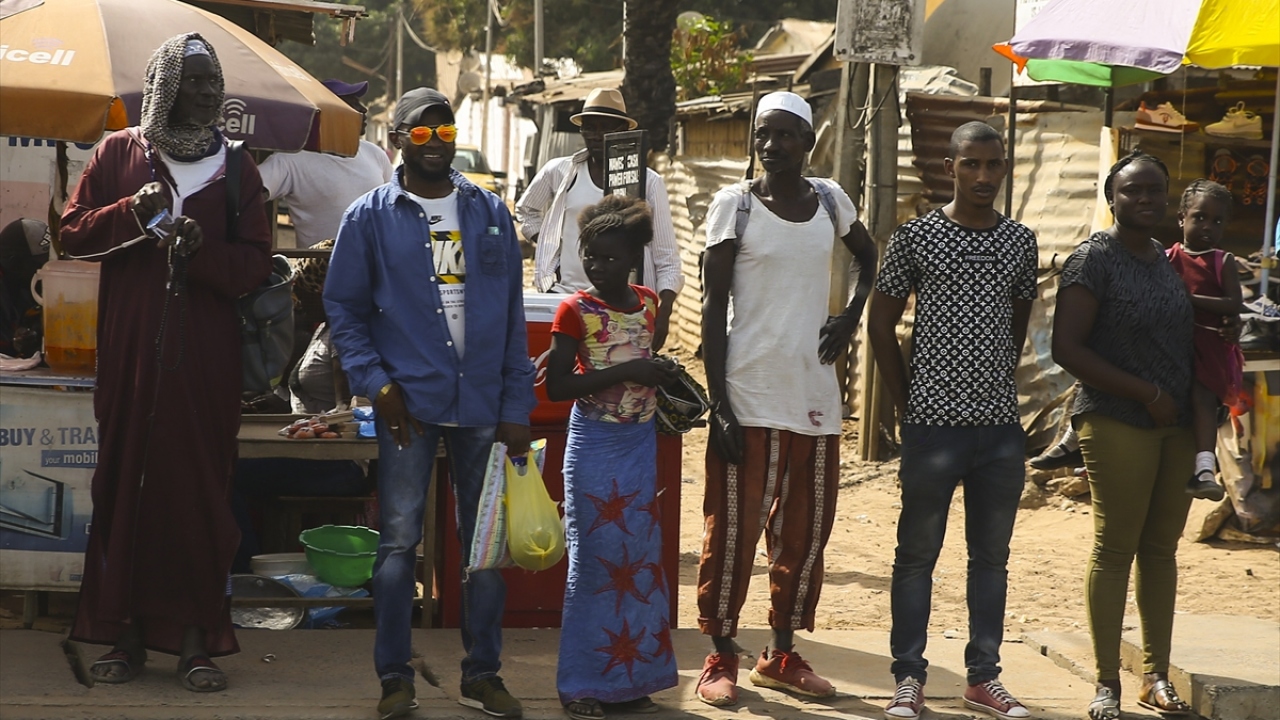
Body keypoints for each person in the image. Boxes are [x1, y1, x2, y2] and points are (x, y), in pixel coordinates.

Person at [59, 33, 273, 692]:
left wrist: (201, 252)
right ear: (165, 85)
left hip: (203, 363)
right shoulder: (119, 154)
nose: (210, 93)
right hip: (130, 357)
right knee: (126, 489)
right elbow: (71, 234)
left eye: (216, 82)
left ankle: (194, 642)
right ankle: (122, 634)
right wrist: (130, 210)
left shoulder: (238, 170)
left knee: (196, 494)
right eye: (197, 80)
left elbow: (255, 267)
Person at [323, 87, 536, 720]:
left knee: (485, 547)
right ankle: (394, 677)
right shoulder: (368, 216)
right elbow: (344, 309)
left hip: (482, 404)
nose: (436, 141)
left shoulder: (491, 213)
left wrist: (517, 406)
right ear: (398, 140)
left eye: (445, 130)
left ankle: (482, 674)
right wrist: (377, 385)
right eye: (421, 132)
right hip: (407, 407)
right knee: (397, 546)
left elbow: (512, 318)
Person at [694, 91, 878, 706]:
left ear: (809, 142)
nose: (770, 146)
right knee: (734, 533)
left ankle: (781, 653)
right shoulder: (735, 206)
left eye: (784, 135)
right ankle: (720, 654)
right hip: (748, 393)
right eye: (761, 134)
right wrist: (719, 405)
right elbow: (714, 311)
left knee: (804, 532)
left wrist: (850, 316)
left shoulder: (831, 200)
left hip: (815, 397)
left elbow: (869, 257)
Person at [868, 121, 1038, 720]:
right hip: (932, 428)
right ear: (950, 168)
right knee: (917, 556)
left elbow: (1016, 325)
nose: (984, 176)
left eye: (994, 165)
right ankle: (908, 678)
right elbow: (879, 325)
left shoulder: (1020, 241)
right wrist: (906, 403)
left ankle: (982, 677)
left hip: (998, 431)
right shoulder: (916, 238)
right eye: (972, 165)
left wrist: (988, 381)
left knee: (991, 559)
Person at [1052, 151, 1196, 720]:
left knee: (1161, 551)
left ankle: (1155, 677)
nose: (1146, 200)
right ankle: (1107, 681)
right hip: (1116, 418)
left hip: (1177, 425)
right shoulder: (1094, 259)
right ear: (1112, 197)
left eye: (1156, 190)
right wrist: (1147, 394)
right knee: (1115, 549)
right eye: (1133, 190)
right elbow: (1067, 349)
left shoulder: (1167, 259)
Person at [544, 195, 680, 720]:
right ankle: (580, 684)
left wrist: (658, 373)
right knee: (594, 563)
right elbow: (559, 385)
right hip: (595, 446)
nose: (598, 267)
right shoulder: (573, 310)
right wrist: (631, 374)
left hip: (639, 444)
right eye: (590, 257)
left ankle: (632, 680)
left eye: (609, 259)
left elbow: (642, 360)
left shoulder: (649, 304)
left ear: (633, 261)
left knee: (639, 561)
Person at [516, 88, 683, 350]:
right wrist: (551, 245)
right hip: (566, 299)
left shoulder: (648, 182)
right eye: (590, 127)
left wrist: (664, 313)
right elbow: (525, 211)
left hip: (626, 310)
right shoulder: (560, 172)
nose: (596, 135)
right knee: (565, 380)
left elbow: (667, 258)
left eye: (605, 127)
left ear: (621, 131)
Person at [1167, 179, 1245, 502]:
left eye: (1217, 221)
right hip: (1172, 344)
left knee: (1202, 400)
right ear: (1181, 218)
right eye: (1199, 217)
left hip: (1209, 344)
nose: (1207, 226)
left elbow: (1233, 304)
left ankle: (1203, 468)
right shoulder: (1167, 256)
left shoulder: (1221, 261)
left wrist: (1191, 299)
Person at [257, 78, 394, 248]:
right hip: (322, 271)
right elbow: (245, 193)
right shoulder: (292, 159)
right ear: (326, 112)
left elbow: (395, 208)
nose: (363, 110)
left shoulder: (374, 154)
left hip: (375, 267)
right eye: (352, 105)